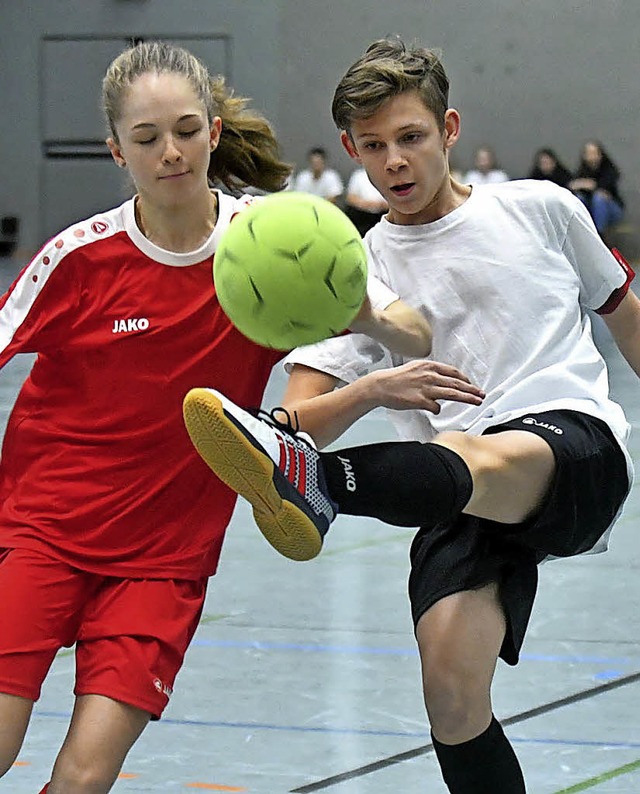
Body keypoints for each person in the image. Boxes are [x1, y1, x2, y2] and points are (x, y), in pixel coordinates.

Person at [182, 37, 640, 794]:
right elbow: (293, 423)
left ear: (449, 129)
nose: (393, 161)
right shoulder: (355, 269)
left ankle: (327, 487)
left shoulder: (542, 209)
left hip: (569, 447)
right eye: (373, 146)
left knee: (480, 455)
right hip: (444, 486)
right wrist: (368, 391)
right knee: (452, 702)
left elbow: (625, 319)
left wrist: (303, 463)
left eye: (411, 138)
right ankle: (326, 483)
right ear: (349, 148)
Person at [0, 41, 433, 794]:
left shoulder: (273, 242)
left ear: (215, 134)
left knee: (82, 779)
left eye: (187, 130)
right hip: (43, 532)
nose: (171, 152)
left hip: (164, 559)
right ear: (116, 153)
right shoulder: (78, 258)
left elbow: (413, 333)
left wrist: (365, 319)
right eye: (146, 139)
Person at [568, 139, 624, 236]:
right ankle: (578, 231)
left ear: (600, 154)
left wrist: (588, 184)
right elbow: (573, 185)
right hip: (590, 208)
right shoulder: (582, 170)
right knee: (578, 198)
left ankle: (600, 234)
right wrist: (586, 185)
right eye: (588, 153)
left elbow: (604, 185)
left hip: (611, 209)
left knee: (599, 198)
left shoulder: (609, 170)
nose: (591, 156)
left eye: (594, 153)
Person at [343, 165, 388, 236]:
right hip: (363, 215)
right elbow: (351, 198)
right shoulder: (358, 175)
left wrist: (383, 205)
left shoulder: (389, 174)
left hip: (384, 214)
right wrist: (367, 204)